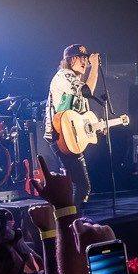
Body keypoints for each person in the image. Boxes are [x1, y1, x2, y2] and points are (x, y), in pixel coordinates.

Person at [47, 42, 102, 202]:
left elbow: (81, 116)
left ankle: (69, 220)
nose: (85, 61)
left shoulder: (75, 80)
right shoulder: (64, 75)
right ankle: (71, 222)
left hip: (70, 136)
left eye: (86, 58)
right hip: (60, 135)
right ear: (70, 60)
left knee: (75, 185)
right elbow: (87, 92)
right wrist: (95, 68)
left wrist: (96, 126)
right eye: (80, 58)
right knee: (82, 186)